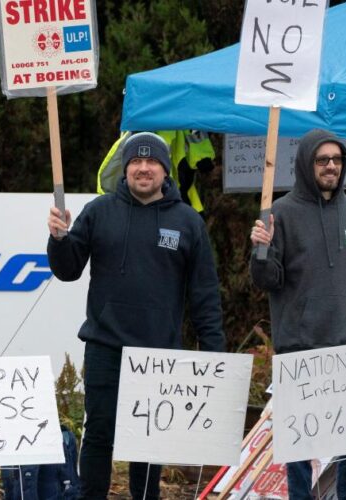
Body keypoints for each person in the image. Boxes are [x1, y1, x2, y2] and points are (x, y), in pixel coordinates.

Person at [47, 132, 225, 500]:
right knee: (99, 435)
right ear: (126, 168)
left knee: (148, 444)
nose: (144, 168)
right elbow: (67, 270)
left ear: (165, 169)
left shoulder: (188, 221)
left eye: (152, 162)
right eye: (136, 162)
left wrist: (214, 354)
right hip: (105, 347)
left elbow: (204, 294)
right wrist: (59, 239)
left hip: (158, 355)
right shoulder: (99, 212)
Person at [249, 129, 346, 500]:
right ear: (307, 164)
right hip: (301, 351)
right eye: (322, 160)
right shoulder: (281, 213)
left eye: (337, 160)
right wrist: (261, 249)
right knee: (300, 453)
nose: (330, 166)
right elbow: (267, 280)